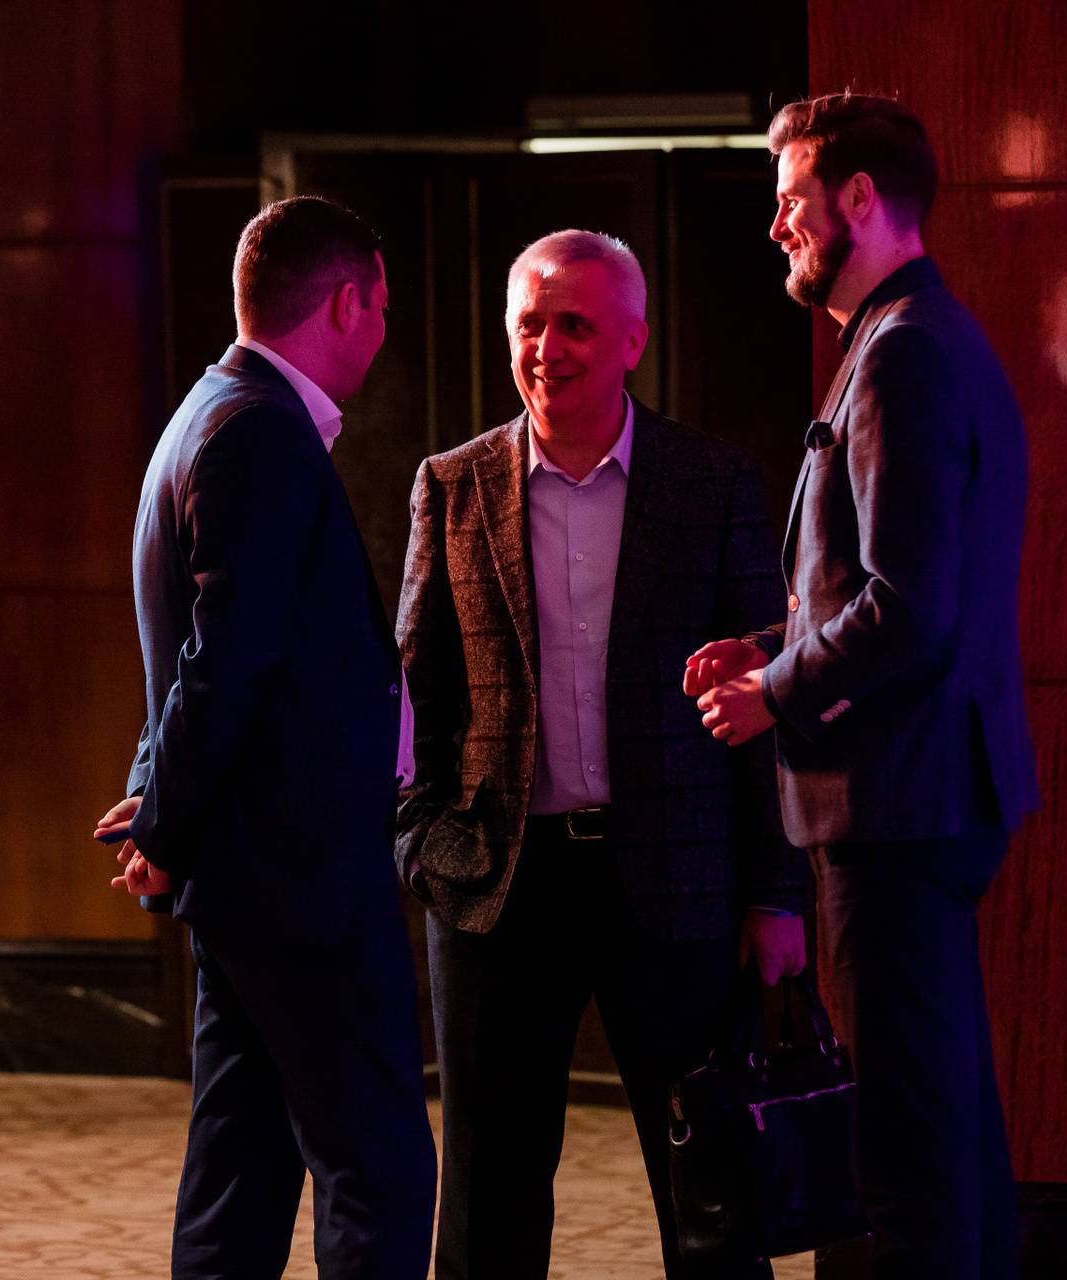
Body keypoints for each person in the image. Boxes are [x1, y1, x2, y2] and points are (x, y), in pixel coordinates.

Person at [396, 229, 812, 1280]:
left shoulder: (712, 482)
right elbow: (417, 692)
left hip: (676, 882)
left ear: (632, 341)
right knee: (487, 1198)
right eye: (530, 325)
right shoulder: (452, 486)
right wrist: (421, 844)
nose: (548, 349)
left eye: (574, 325)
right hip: (499, 886)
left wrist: (777, 891)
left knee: (709, 1196)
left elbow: (766, 688)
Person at [685, 93, 1042, 1279]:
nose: (776, 226)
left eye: (790, 199)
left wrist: (775, 692)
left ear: (857, 199)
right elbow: (889, 586)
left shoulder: (902, 354)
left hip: (896, 799)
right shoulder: (913, 338)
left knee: (908, 1160)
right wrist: (769, 644)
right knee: (949, 1136)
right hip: (923, 792)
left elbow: (909, 605)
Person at [92, 197, 437, 1280]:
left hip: (249, 871)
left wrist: (164, 808)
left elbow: (193, 649)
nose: (383, 329)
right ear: (345, 304)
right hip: (301, 874)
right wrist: (163, 818)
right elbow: (222, 661)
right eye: (382, 307)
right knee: (378, 1168)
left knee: (239, 1173)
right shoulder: (258, 433)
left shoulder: (207, 412)